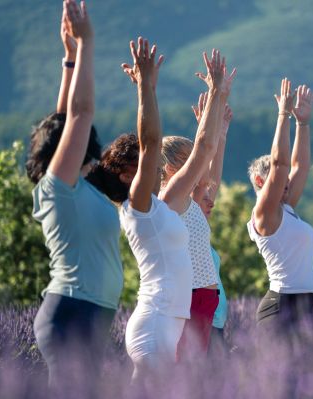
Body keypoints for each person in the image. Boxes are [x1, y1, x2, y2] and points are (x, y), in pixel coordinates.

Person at [29, 1, 120, 392]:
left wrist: (69, 59)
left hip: (89, 316)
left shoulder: (74, 187)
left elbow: (67, 117)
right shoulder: (58, 188)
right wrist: (87, 44)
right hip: (73, 314)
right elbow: (80, 114)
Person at [114, 36, 194, 389]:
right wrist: (145, 87)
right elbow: (150, 143)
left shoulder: (157, 208)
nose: (156, 168)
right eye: (143, 166)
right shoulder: (139, 208)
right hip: (154, 324)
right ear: (126, 175)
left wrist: (218, 98)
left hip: (165, 323)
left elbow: (201, 154)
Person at [157, 53, 234, 359]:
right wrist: (216, 95)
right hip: (186, 301)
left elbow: (211, 174)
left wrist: (219, 126)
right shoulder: (171, 200)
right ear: (171, 169)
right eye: (188, 162)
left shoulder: (191, 199)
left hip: (203, 300)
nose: (196, 166)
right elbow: (205, 150)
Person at [247, 79, 313, 330]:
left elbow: (299, 166)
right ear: (260, 180)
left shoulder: (285, 208)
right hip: (281, 308)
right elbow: (281, 165)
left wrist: (303, 122)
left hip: (305, 308)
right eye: (279, 179)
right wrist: (283, 115)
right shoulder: (265, 214)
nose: (286, 181)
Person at [189, 92, 233, 354]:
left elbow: (211, 181)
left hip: (215, 326)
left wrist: (222, 133)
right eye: (204, 197)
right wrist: (206, 130)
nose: (212, 201)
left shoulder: (200, 230)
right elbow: (205, 180)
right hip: (198, 325)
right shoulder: (187, 220)